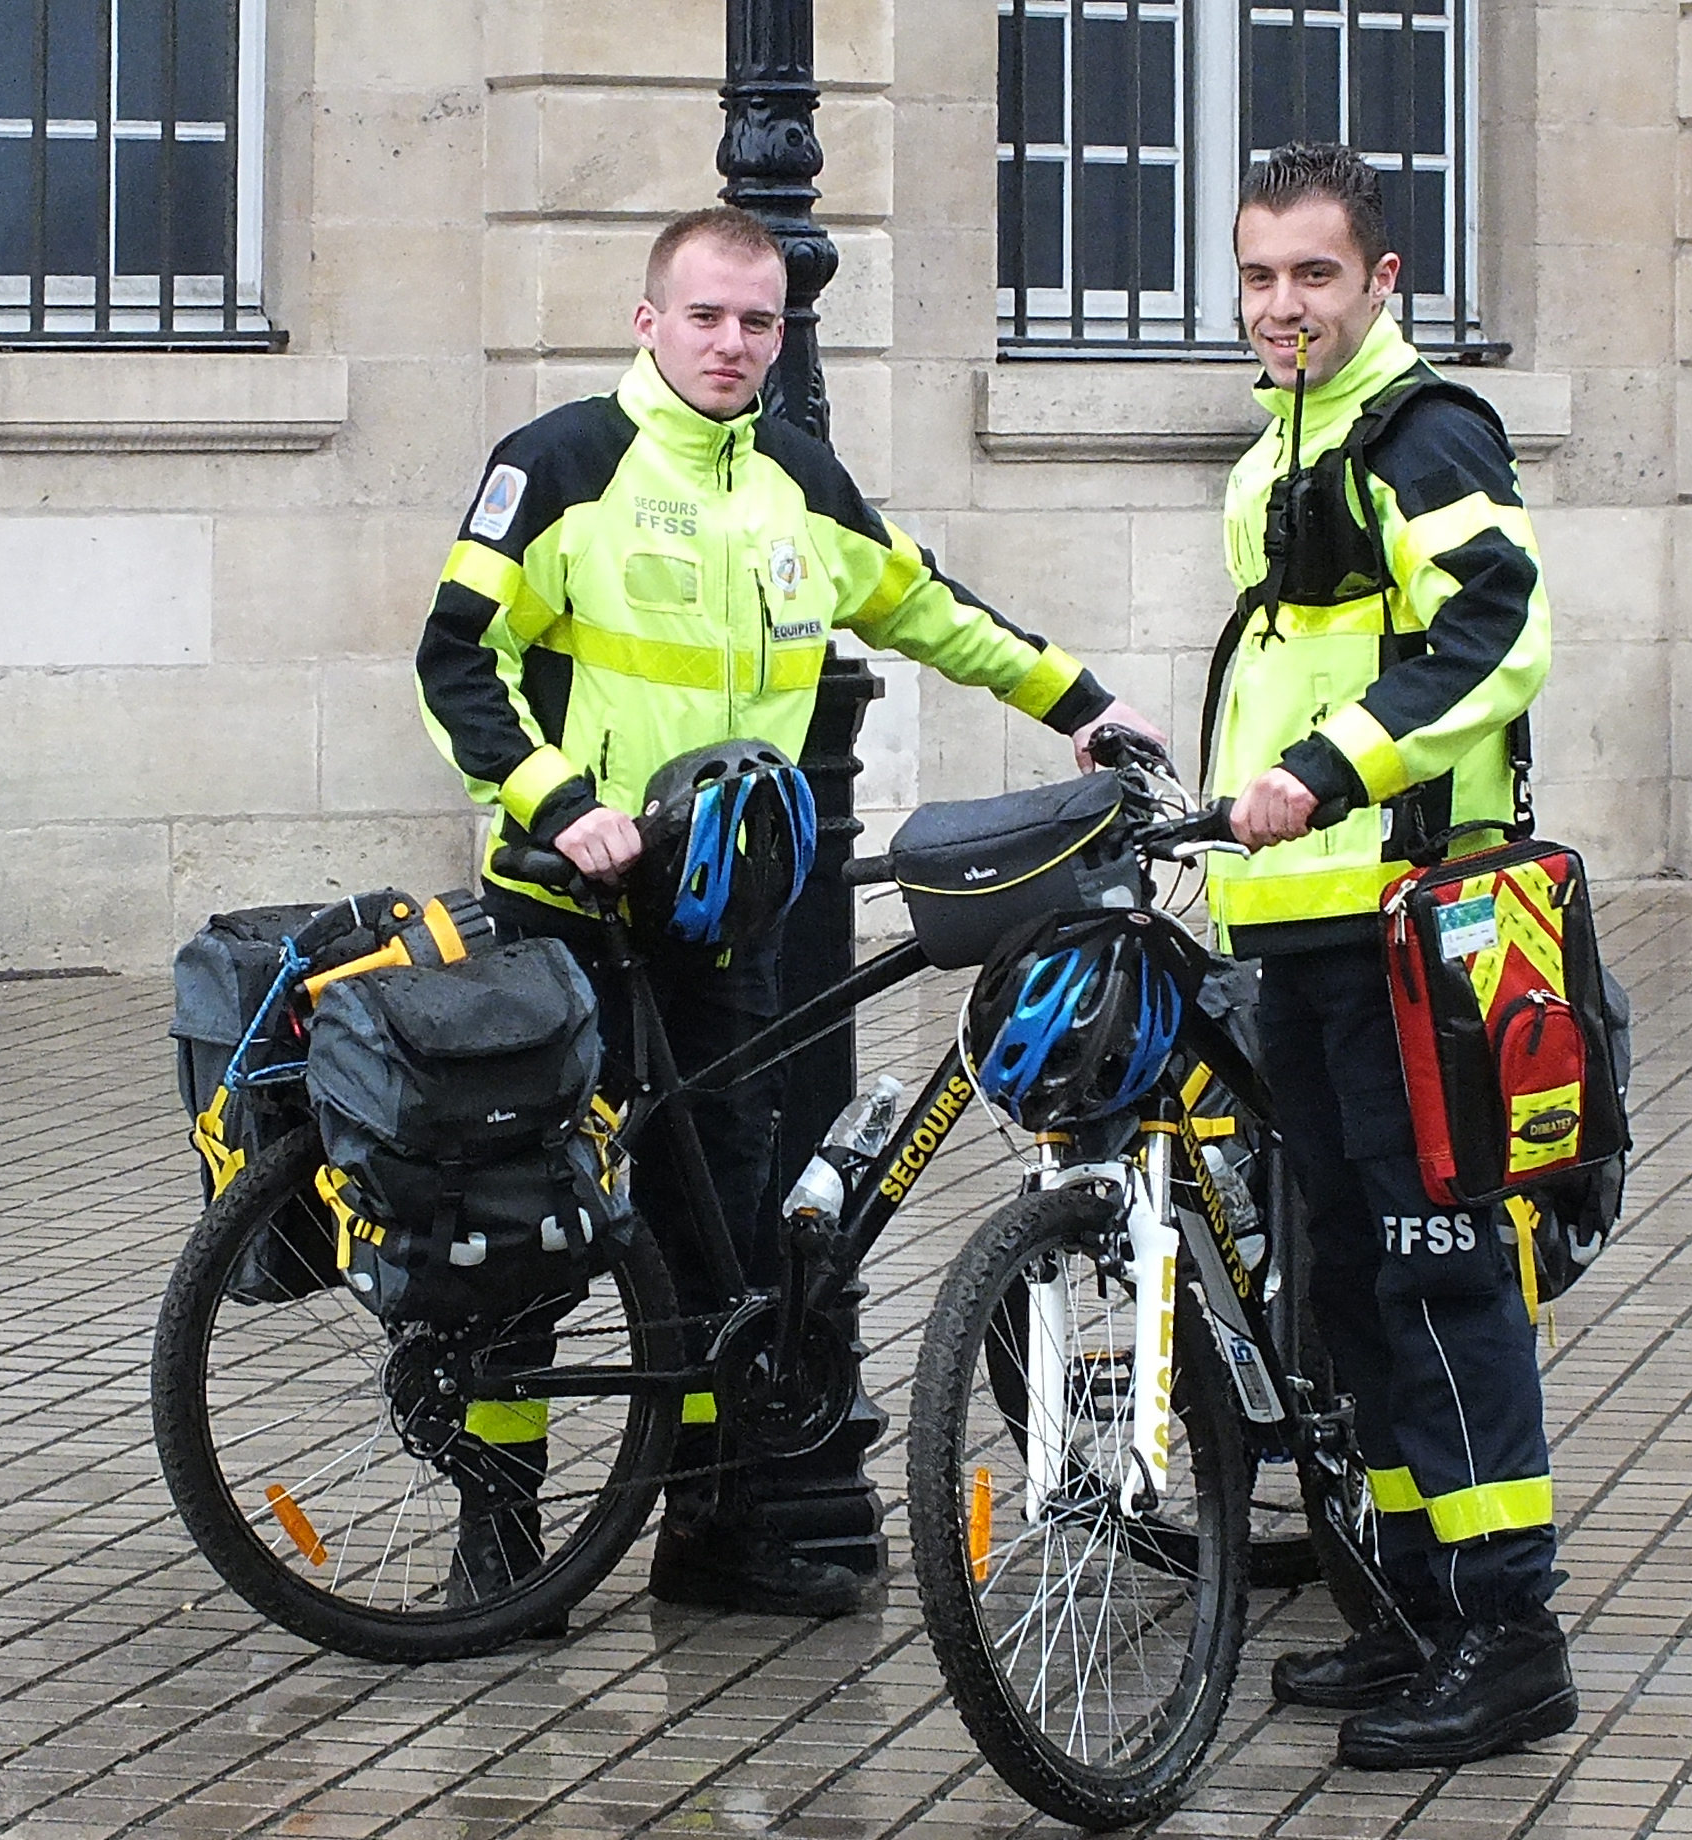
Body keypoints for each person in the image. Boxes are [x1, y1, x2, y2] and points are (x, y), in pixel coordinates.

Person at [417, 205, 1165, 1618]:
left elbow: (929, 612)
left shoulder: (798, 481)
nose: (733, 343)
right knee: (528, 1233)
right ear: (649, 321)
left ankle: (714, 1528)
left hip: (720, 926)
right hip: (571, 909)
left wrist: (1084, 704)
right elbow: (457, 658)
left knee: (725, 1231)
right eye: (706, 315)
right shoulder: (558, 463)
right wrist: (554, 795)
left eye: (758, 322)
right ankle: (499, 1539)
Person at [1197, 144, 1570, 1769]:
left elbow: (1496, 632)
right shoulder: (1297, 435)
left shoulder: (1425, 434)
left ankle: (1508, 1634)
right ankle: (1413, 1606)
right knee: (1349, 1283)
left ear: (1382, 282)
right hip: (1301, 934)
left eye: (1315, 277)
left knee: (1439, 1282)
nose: (1284, 306)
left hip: (1403, 927)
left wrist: (1329, 772)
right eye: (1261, 277)